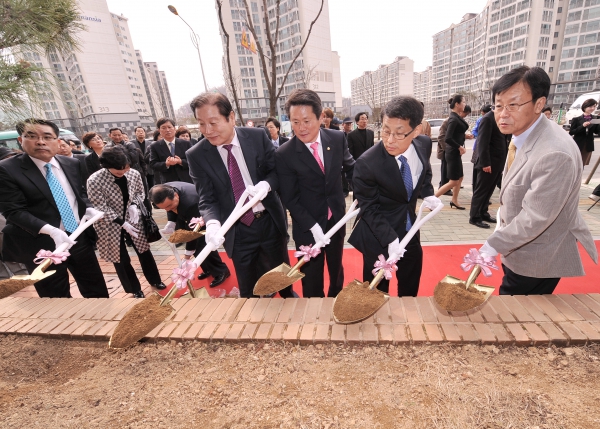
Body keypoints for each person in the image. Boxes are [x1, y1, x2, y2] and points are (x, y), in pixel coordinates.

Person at [478, 66, 597, 295]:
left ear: (539, 104)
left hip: (537, 257)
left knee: (514, 316)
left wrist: (492, 246)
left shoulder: (554, 153)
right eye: (498, 105)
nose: (503, 114)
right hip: (518, 245)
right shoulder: (525, 134)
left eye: (513, 105)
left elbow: (535, 218)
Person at [187, 92, 294, 299]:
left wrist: (266, 185)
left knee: (283, 280)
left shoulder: (256, 137)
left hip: (269, 222)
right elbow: (207, 198)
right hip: (237, 231)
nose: (207, 131)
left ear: (232, 117)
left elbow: (276, 171)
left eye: (213, 122)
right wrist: (212, 224)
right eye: (201, 124)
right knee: (249, 290)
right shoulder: (197, 155)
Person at [0, 118, 109, 298]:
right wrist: (51, 231)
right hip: (42, 245)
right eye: (32, 136)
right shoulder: (7, 169)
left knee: (96, 289)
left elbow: (79, 194)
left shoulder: (72, 164)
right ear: (21, 141)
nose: (40, 141)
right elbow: (13, 211)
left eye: (47, 136)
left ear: (57, 142)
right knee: (55, 297)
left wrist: (89, 208)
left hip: (77, 238)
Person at [349, 96, 441, 296]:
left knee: (410, 286)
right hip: (379, 236)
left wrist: (428, 193)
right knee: (376, 293)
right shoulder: (367, 163)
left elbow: (424, 173)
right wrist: (390, 239)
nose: (390, 140)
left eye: (399, 133)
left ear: (416, 131)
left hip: (410, 230)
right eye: (385, 130)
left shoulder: (423, 144)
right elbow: (369, 208)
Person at [275, 89, 355, 298]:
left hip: (335, 218)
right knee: (311, 276)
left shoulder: (337, 139)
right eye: (295, 122)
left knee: (336, 268)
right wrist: (312, 226)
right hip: (307, 224)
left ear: (321, 117)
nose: (301, 128)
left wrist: (365, 192)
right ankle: (314, 313)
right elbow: (290, 198)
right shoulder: (285, 154)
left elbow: (351, 168)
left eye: (306, 121)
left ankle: (335, 300)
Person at [87, 146, 166, 297]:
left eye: (126, 168)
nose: (124, 172)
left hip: (133, 217)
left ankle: (155, 280)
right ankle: (134, 289)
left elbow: (139, 192)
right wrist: (121, 222)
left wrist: (135, 206)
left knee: (144, 250)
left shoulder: (133, 173)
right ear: (106, 167)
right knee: (120, 257)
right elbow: (100, 206)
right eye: (118, 171)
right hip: (108, 223)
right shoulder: (94, 180)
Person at [149, 183, 231, 287]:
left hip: (204, 213)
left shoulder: (190, 203)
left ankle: (221, 271)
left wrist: (187, 256)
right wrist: (171, 222)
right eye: (163, 208)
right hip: (188, 214)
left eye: (169, 206)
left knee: (202, 244)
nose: (167, 209)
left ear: (176, 195)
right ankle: (208, 269)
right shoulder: (164, 191)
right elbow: (169, 207)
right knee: (197, 248)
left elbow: (191, 235)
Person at [469, 109, 507, 229]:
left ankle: (483, 213)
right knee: (481, 191)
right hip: (488, 163)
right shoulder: (488, 119)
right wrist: (485, 163)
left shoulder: (499, 118)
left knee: (489, 190)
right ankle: (474, 217)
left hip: (497, 162)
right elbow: (482, 143)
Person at [435, 94, 469, 209]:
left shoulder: (456, 117)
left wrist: (464, 137)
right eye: (463, 102)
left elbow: (455, 134)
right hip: (452, 152)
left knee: (460, 178)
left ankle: (454, 200)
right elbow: (448, 138)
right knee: (453, 181)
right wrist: (459, 147)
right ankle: (432, 199)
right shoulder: (453, 119)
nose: (465, 104)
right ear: (457, 104)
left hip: (455, 152)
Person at [149, 118, 193, 183]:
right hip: (168, 181)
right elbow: (153, 164)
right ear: (159, 130)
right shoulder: (155, 146)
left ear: (174, 128)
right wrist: (166, 164)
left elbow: (194, 161)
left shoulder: (186, 143)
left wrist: (180, 161)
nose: (167, 130)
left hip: (187, 180)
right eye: (163, 128)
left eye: (169, 127)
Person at [569, 98, 599, 166]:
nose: (592, 108)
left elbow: (597, 132)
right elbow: (571, 132)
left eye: (594, 106)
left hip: (588, 145)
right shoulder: (576, 119)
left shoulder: (595, 118)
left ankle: (579, 177)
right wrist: (582, 126)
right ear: (585, 107)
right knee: (574, 164)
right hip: (578, 144)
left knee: (582, 165)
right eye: (590, 106)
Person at [470, 105, 492, 189]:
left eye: (483, 113)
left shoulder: (491, 119)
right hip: (479, 147)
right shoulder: (482, 120)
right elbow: (474, 131)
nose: (482, 115)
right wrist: (480, 136)